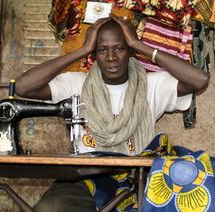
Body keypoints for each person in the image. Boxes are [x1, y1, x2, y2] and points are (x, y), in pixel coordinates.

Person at [15, 16, 209, 212]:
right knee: (51, 207)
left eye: (120, 48)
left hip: (137, 178)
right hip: (87, 178)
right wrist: (81, 51)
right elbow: (23, 87)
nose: (110, 57)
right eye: (101, 50)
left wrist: (139, 45)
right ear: (94, 54)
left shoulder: (152, 85)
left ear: (130, 51)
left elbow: (199, 80)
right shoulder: (75, 84)